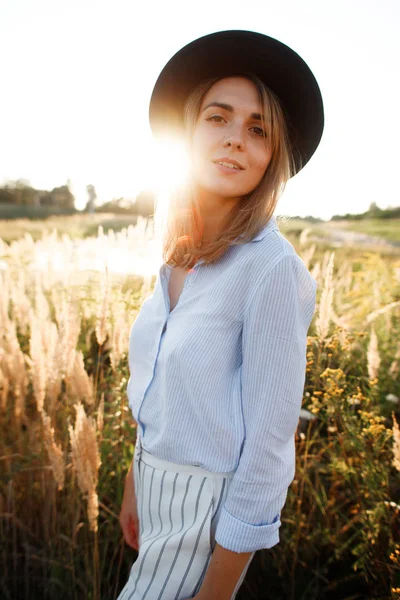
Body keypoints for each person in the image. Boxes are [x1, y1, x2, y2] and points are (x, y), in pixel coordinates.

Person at [118, 29, 324, 600]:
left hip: (205, 524)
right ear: (188, 130)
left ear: (271, 155)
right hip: (154, 496)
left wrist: (215, 591)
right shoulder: (175, 255)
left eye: (258, 129)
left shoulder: (270, 270)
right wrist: (134, 480)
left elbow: (267, 453)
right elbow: (159, 387)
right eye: (218, 117)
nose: (236, 139)